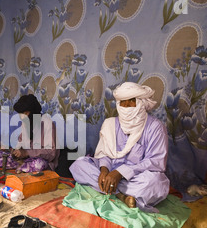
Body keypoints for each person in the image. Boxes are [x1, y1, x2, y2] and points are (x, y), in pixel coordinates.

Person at [69, 82, 170, 213]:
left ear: (140, 103)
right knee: (79, 165)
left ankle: (110, 189)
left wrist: (121, 173)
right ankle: (121, 195)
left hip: (136, 178)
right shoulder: (110, 124)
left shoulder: (155, 127)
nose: (126, 106)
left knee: (156, 183)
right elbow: (104, 153)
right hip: (111, 173)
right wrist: (104, 171)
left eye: (131, 101)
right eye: (123, 102)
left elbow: (156, 162)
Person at [11, 94, 60, 173]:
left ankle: (22, 167)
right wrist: (17, 150)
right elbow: (21, 141)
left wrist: (27, 153)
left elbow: (51, 153)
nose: (21, 117)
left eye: (25, 113)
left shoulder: (47, 123)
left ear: (33, 112)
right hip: (26, 159)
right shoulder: (25, 123)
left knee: (38, 165)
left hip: (44, 162)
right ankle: (22, 167)